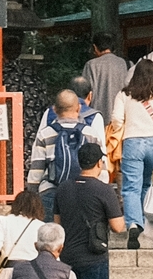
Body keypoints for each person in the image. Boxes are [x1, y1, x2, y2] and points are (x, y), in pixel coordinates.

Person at [54, 134, 124, 279]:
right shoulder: (104, 190)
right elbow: (118, 226)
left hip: (67, 259)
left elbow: (57, 223)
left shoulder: (63, 188)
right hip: (94, 258)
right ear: (99, 163)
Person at [114, 58, 153, 249]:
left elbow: (116, 119)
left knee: (130, 188)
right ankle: (148, 223)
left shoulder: (124, 94)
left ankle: (134, 224)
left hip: (132, 142)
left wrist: (120, 128)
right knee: (150, 185)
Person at [29, 86, 105, 215]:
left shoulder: (45, 134)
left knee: (51, 228)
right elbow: (102, 168)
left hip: (51, 193)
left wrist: (33, 194)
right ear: (79, 108)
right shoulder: (91, 133)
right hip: (85, 194)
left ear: (54, 110)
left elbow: (36, 170)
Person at [76, 31, 130, 129]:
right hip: (121, 118)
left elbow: (84, 92)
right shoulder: (123, 63)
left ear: (95, 47)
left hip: (98, 118)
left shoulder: (91, 65)